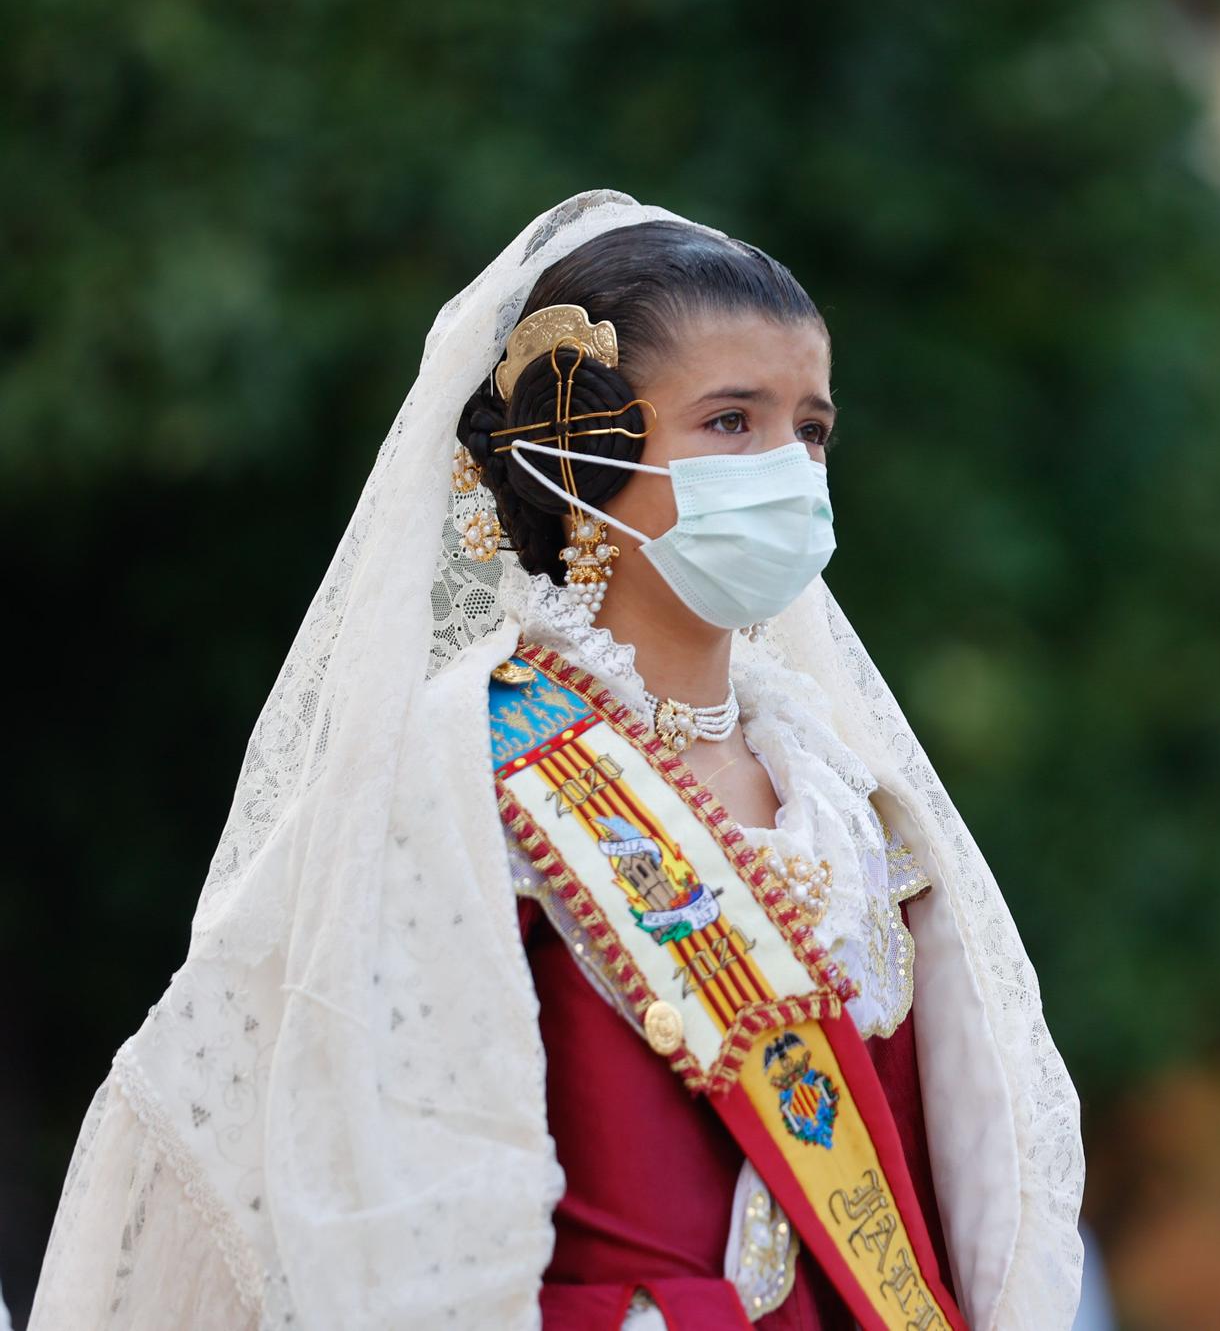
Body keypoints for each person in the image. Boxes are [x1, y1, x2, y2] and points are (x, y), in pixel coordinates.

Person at [29, 191, 1083, 1331]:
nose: (787, 465)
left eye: (810, 428)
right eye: (731, 422)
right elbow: (399, 1194)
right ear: (580, 450)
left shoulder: (848, 796)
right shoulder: (462, 767)